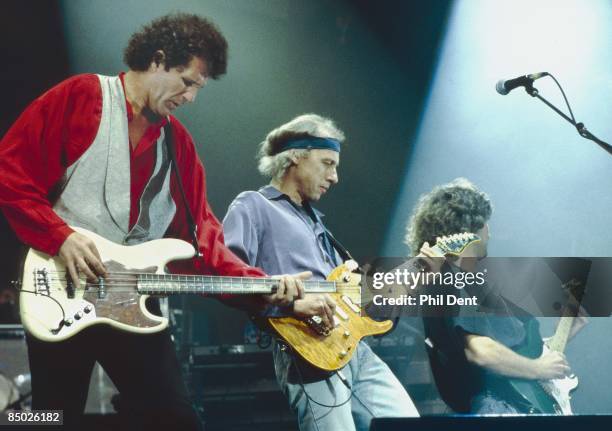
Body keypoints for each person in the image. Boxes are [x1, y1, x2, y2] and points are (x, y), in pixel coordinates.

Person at [0, 13, 305, 430]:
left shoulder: (178, 145)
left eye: (200, 87)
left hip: (133, 305)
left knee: (175, 419)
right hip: (59, 294)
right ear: (158, 60)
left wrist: (262, 286)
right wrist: (60, 236)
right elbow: (10, 173)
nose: (192, 97)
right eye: (188, 81)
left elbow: (205, 241)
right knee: (54, 418)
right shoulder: (81, 97)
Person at [223, 114, 419, 431]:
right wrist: (286, 305)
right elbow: (227, 280)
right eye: (328, 163)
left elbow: (343, 289)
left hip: (354, 347)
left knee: (408, 425)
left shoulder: (317, 222)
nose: (335, 176)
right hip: (309, 352)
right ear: (295, 157)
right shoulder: (253, 205)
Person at [406, 178, 583, 414]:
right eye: (485, 224)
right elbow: (480, 350)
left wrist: (565, 332)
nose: (489, 232)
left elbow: (517, 350)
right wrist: (538, 368)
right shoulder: (449, 280)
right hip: (496, 405)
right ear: (470, 231)